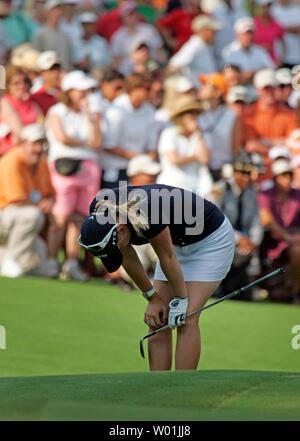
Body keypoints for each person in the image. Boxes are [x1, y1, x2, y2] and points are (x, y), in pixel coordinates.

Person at [78, 183, 235, 370]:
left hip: (211, 241)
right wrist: (152, 298)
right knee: (158, 319)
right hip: (176, 243)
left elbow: (167, 256)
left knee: (186, 317)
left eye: (115, 248)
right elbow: (127, 256)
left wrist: (181, 300)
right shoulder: (99, 214)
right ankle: (158, 390)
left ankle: (181, 389)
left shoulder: (146, 211)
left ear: (120, 231)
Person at [45, 70, 102, 281]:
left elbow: (96, 141)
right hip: (64, 168)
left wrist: (89, 116)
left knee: (79, 219)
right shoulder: (57, 110)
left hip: (88, 168)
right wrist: (85, 144)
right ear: (70, 91)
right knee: (60, 217)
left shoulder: (90, 113)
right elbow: (62, 137)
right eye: (81, 90)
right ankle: (51, 262)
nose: (85, 93)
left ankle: (71, 263)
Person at [0, 123, 56, 278]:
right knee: (32, 215)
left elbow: (50, 193)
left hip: (18, 220)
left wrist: (49, 201)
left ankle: (7, 257)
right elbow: (16, 200)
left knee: (41, 267)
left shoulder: (41, 162)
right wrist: (42, 205)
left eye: (41, 144)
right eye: (35, 144)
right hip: (5, 215)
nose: (39, 148)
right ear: (23, 143)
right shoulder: (11, 161)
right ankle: (10, 260)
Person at [211, 150, 263, 299]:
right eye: (242, 173)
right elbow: (215, 221)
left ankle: (236, 287)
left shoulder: (251, 194)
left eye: (248, 173)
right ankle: (219, 286)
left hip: (244, 245)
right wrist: (239, 238)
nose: (246, 178)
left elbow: (256, 222)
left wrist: (254, 241)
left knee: (246, 296)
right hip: (221, 241)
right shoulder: (220, 190)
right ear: (234, 172)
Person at [102, 73, 159, 188]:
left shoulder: (150, 112)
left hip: (139, 171)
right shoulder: (116, 110)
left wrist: (146, 162)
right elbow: (108, 145)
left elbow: (151, 145)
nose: (149, 93)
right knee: (119, 205)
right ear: (134, 89)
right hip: (117, 172)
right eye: (146, 89)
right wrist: (138, 157)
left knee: (138, 204)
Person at [258, 159, 300, 304]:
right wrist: (289, 238)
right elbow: (267, 220)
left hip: (294, 241)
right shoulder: (265, 194)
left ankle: (296, 292)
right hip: (273, 244)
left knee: (296, 249)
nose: (287, 179)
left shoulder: (298, 195)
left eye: (289, 175)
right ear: (275, 178)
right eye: (283, 175)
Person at [156, 95, 213, 196]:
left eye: (195, 113)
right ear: (181, 116)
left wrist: (198, 134)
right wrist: (195, 156)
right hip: (170, 189)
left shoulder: (202, 136)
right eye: (190, 113)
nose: (194, 117)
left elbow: (205, 159)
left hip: (194, 189)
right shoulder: (169, 134)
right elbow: (175, 160)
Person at [198, 72, 243, 181]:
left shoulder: (231, 116)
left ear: (218, 92)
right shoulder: (198, 113)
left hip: (223, 171)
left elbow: (235, 148)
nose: (202, 87)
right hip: (201, 171)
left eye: (207, 84)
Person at [110, 1, 164, 76]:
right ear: (122, 17)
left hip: (150, 69)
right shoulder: (118, 36)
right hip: (127, 72)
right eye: (128, 15)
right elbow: (116, 60)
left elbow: (160, 51)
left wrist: (159, 67)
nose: (131, 17)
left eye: (133, 14)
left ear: (137, 14)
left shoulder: (149, 30)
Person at [168, 15, 221, 87]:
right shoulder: (194, 45)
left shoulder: (204, 45)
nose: (215, 34)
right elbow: (174, 65)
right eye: (212, 31)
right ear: (204, 30)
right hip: (200, 91)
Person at [0, 66, 42, 155]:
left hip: (32, 149)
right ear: (8, 86)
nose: (22, 86)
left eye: (25, 82)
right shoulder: (6, 103)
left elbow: (42, 122)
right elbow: (20, 131)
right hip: (10, 152)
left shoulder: (32, 103)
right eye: (16, 83)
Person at [222, 17, 276, 85]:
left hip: (258, 90)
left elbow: (272, 70)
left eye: (250, 33)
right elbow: (228, 77)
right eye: (245, 34)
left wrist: (253, 74)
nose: (249, 36)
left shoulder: (260, 51)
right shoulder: (228, 52)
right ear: (237, 34)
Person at [32, 0, 71, 70]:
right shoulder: (40, 34)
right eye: (54, 10)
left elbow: (67, 60)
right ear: (48, 12)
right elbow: (36, 58)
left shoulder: (65, 36)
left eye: (59, 9)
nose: (57, 13)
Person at [253, 0, 285, 65]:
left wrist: (280, 59)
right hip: (255, 61)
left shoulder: (276, 24)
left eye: (268, 6)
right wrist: (262, 47)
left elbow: (283, 43)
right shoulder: (254, 22)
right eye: (264, 6)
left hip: (271, 62)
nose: (266, 9)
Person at [271, 0, 300, 69]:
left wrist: (281, 28)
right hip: (279, 58)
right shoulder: (272, 10)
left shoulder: (297, 9)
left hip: (297, 57)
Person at [30, 50, 61, 115]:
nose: (56, 73)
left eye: (57, 68)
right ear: (41, 73)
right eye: (51, 70)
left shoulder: (66, 91)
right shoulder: (36, 97)